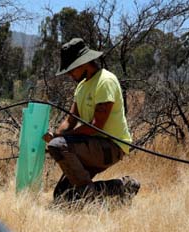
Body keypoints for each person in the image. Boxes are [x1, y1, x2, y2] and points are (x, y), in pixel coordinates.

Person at [43, 38, 140, 205]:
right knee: (63, 196)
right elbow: (70, 120)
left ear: (83, 64)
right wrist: (55, 134)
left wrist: (62, 141)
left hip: (110, 145)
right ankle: (124, 186)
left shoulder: (105, 81)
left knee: (58, 146)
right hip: (91, 144)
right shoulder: (81, 87)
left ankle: (90, 198)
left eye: (71, 69)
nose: (69, 74)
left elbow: (96, 126)